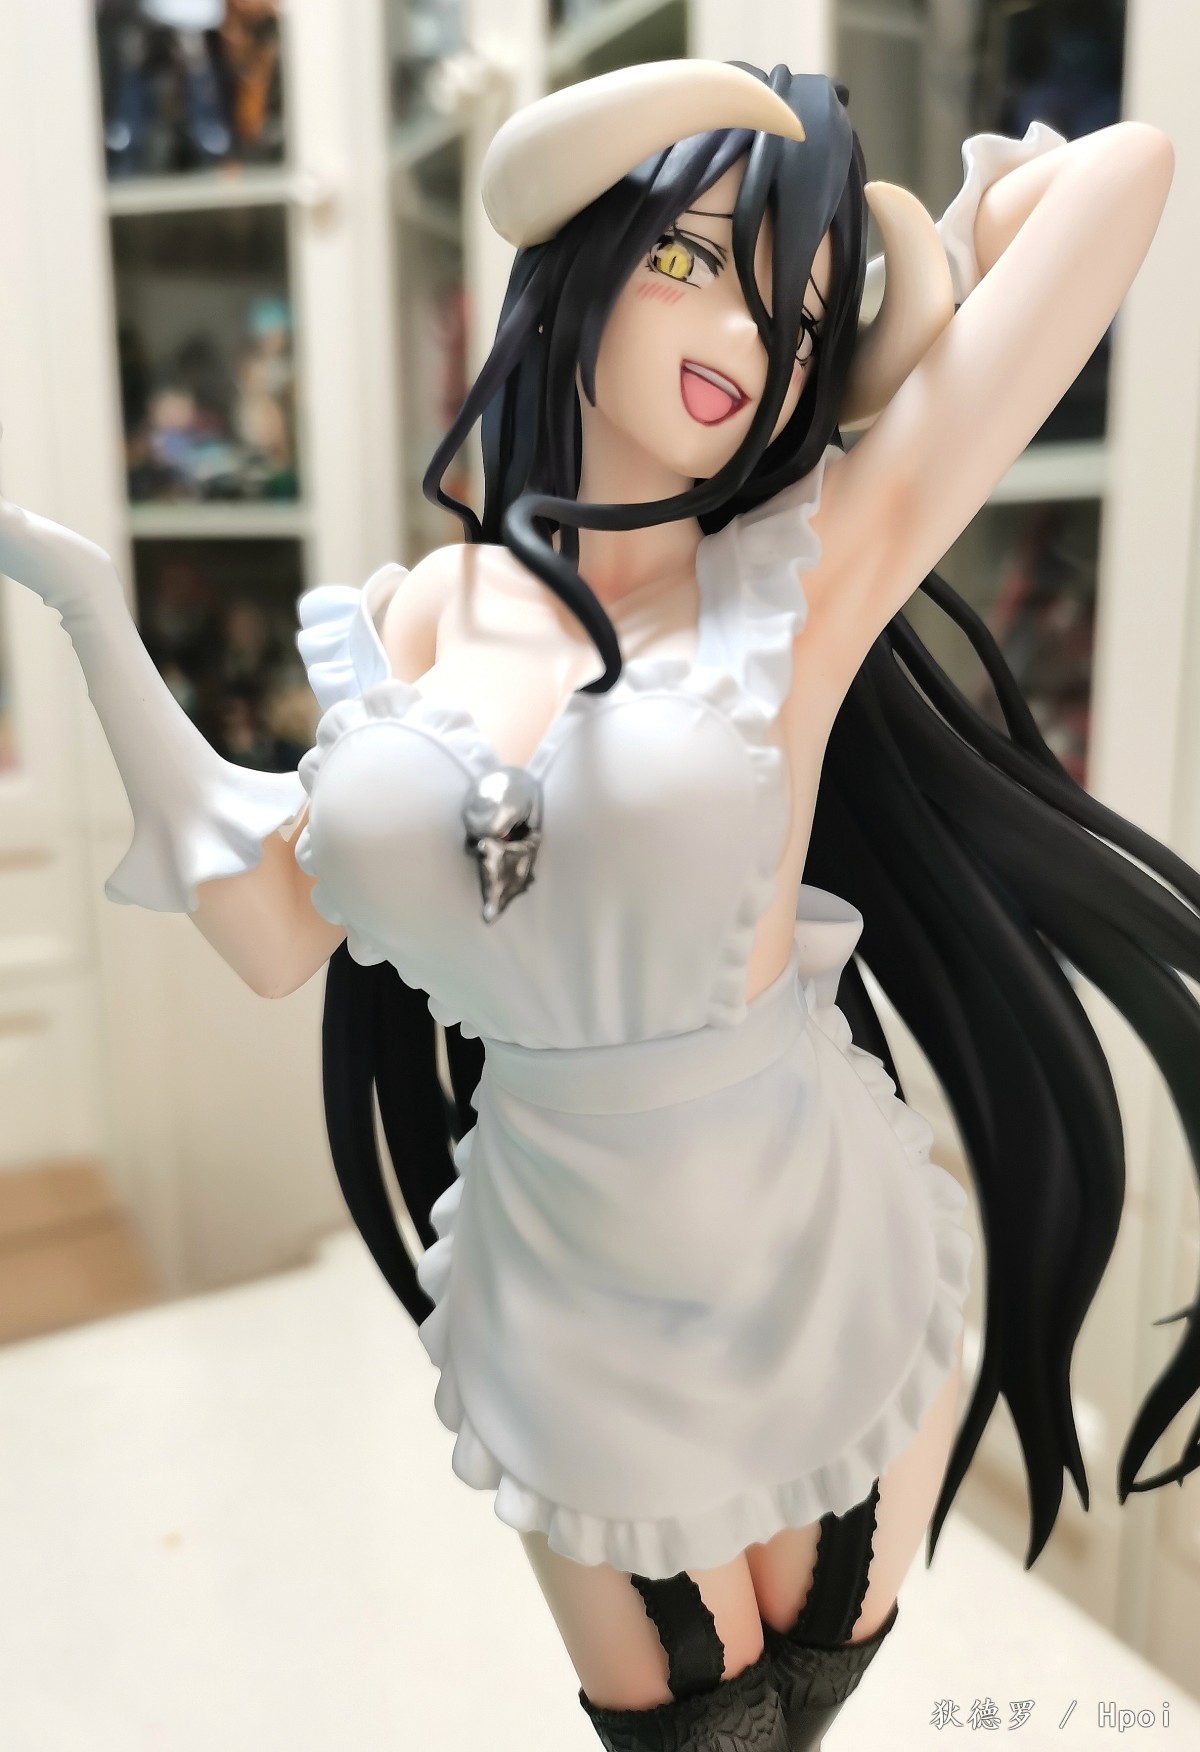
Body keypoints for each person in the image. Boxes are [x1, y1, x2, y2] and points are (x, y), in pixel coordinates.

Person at [0, 59, 1191, 1752]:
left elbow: (1131, 171)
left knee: (806, 1684)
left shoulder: (796, 576)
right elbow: (271, 935)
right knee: (697, 1727)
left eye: (793, 313)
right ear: (585, 258)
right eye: (690, 258)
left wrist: (958, 233)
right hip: (562, 1283)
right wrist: (91, 619)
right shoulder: (417, 619)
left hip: (811, 1246)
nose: (739, 336)